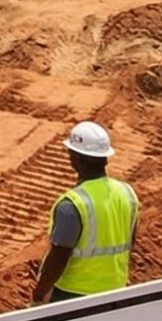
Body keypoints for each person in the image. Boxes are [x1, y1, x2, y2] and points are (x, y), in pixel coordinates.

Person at [33, 121, 138, 305]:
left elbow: (59, 256)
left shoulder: (72, 205)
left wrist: (40, 293)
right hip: (116, 292)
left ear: (77, 159)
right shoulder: (127, 194)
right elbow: (131, 240)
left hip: (73, 296)